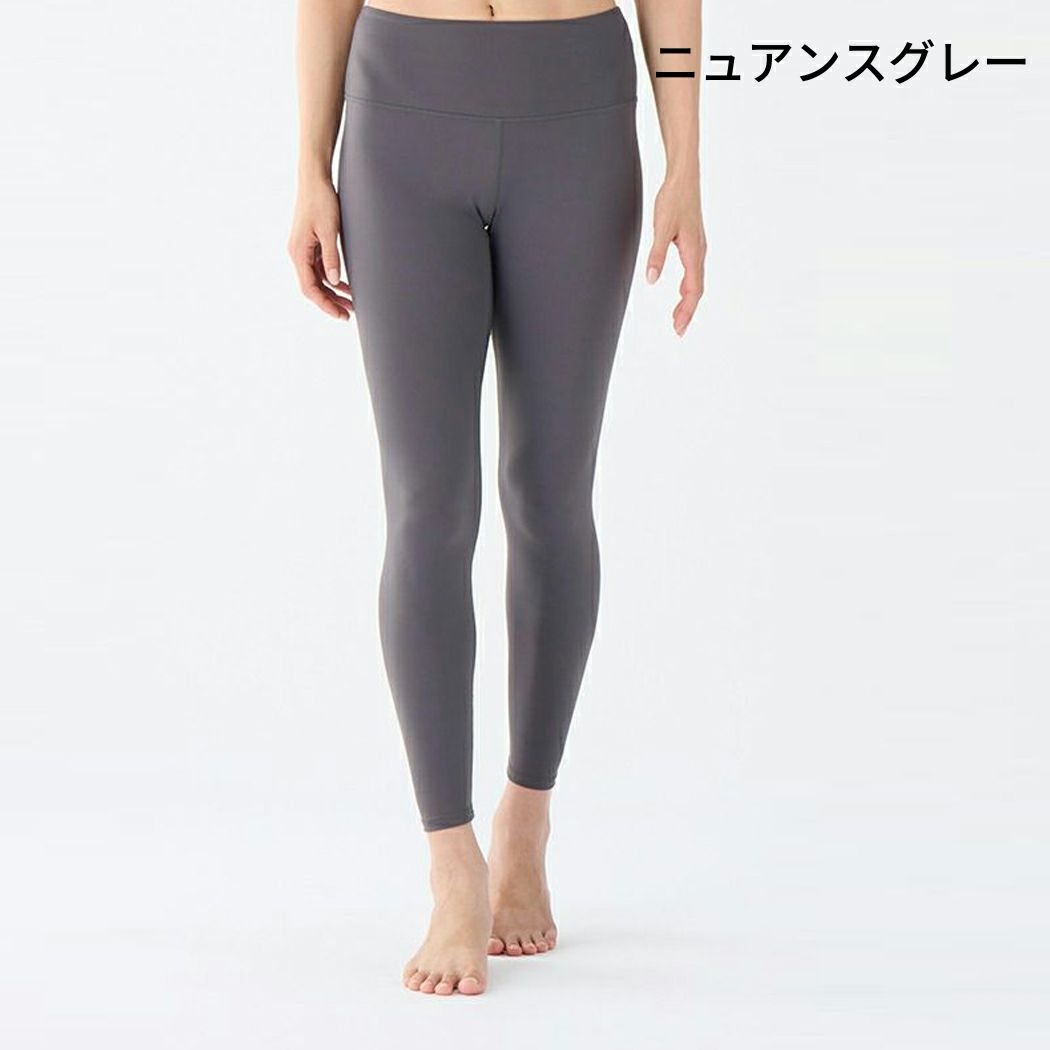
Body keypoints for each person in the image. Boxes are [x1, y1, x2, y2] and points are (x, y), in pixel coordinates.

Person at [288, 0, 706, 996]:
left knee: (551, 492)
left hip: (579, 113)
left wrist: (686, 162)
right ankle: (451, 861)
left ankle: (526, 819)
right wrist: (308, 164)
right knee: (427, 508)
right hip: (400, 113)